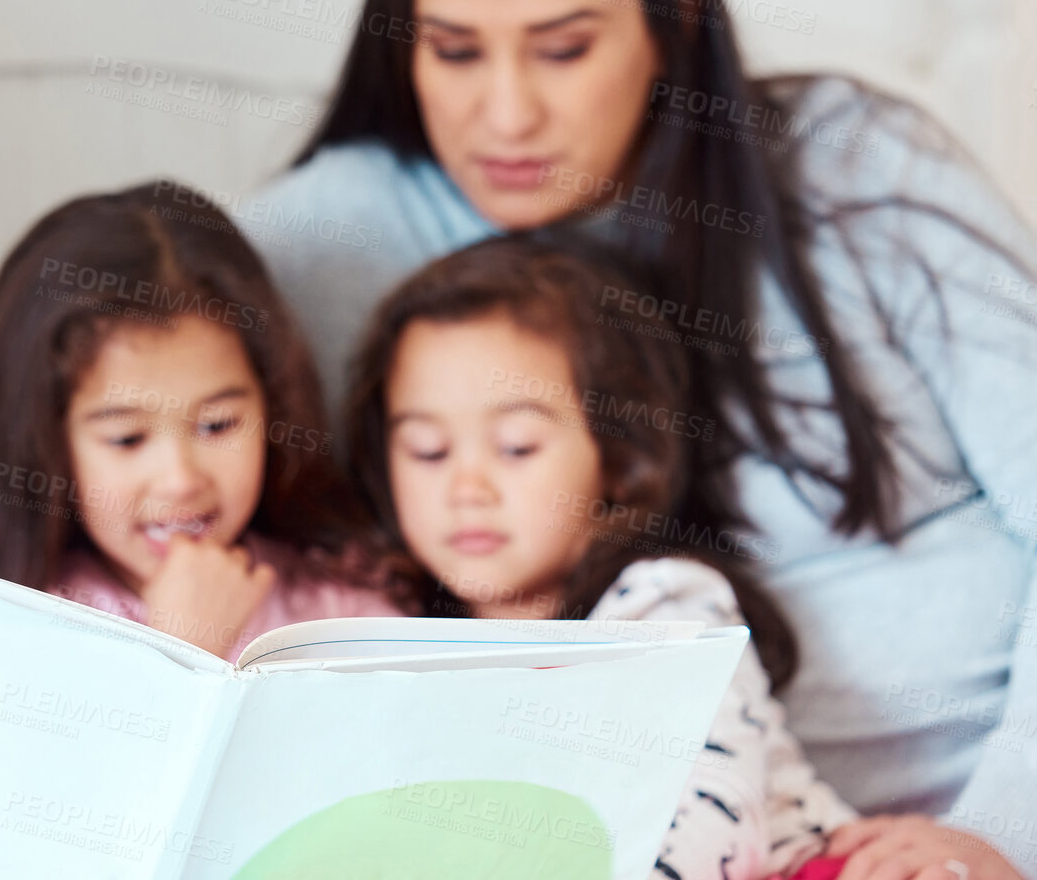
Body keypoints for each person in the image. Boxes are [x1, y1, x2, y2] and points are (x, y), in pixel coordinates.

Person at [242, 0, 1037, 878]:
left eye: (564, 48)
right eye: (454, 51)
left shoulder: (857, 168)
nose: (506, 114)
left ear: (674, 11)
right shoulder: (336, 240)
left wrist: (1000, 831)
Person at [345, 235, 856, 880]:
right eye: (427, 451)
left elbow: (706, 830)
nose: (465, 489)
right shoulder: (400, 639)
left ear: (618, 460)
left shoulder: (666, 605)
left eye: (516, 446)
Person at [0, 180, 402, 661]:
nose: (181, 480)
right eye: (127, 438)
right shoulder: (21, 626)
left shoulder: (343, 604)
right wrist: (183, 649)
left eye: (217, 426)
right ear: (46, 443)